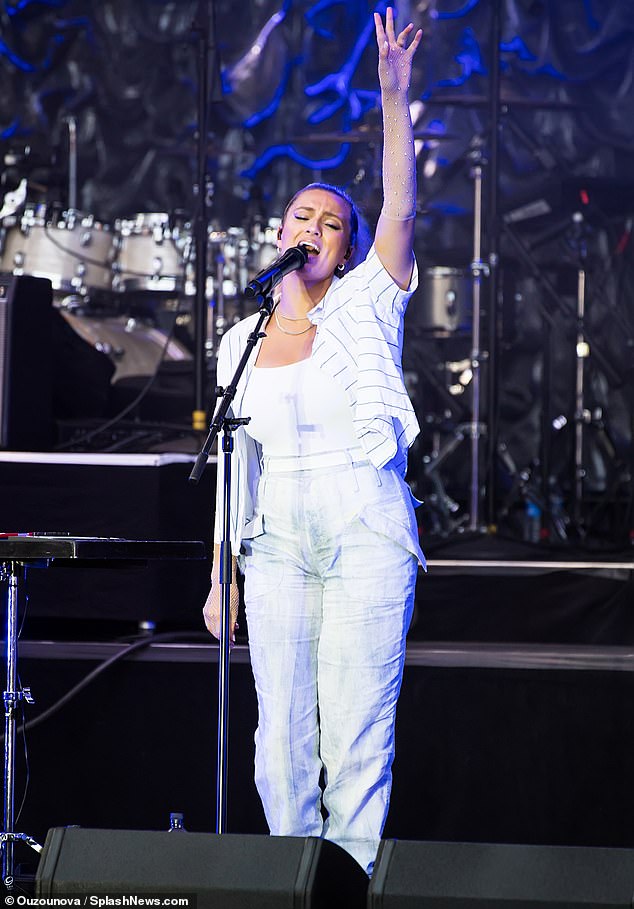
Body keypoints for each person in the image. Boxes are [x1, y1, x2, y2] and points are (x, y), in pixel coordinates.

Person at [203, 7, 425, 876]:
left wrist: (394, 96)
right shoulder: (239, 341)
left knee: (357, 728)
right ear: (279, 235)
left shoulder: (369, 302)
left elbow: (400, 202)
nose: (313, 228)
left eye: (330, 222)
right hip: (276, 535)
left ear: (346, 246)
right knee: (279, 743)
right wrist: (220, 574)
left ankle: (350, 886)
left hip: (362, 518)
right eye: (301, 216)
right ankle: (290, 883)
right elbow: (237, 468)